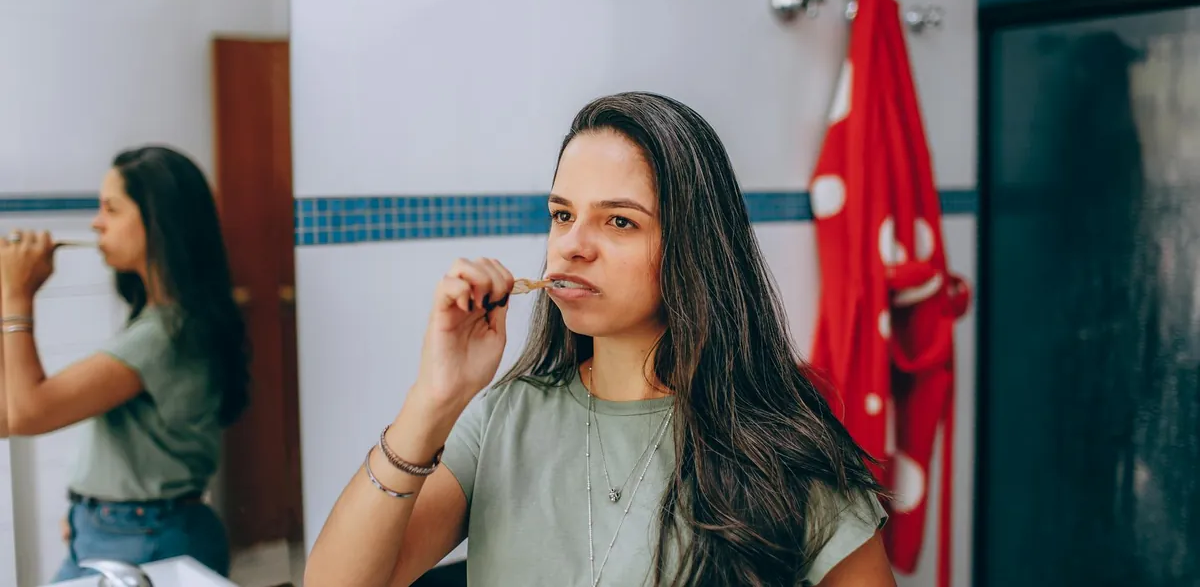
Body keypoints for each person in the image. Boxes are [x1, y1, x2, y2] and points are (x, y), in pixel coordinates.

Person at [305, 92, 895, 586]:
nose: (571, 245)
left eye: (619, 221)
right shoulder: (501, 421)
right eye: (562, 215)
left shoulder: (783, 451)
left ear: (694, 247)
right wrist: (433, 398)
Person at [0, 146, 251, 581]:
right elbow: (9, 415)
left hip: (142, 536)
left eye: (111, 209)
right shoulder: (166, 323)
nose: (97, 223)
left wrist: (17, 296)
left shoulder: (165, 337)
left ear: (158, 221)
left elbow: (25, 414)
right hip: (118, 530)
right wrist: (89, 510)